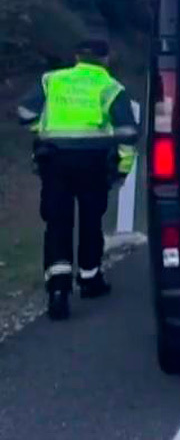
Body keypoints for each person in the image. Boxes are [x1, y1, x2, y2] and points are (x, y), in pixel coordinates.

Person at [15, 39, 138, 320]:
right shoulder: (111, 87)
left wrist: (46, 128)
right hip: (93, 161)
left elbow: (25, 113)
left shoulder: (52, 79)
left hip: (54, 159)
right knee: (91, 219)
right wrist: (122, 169)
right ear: (106, 59)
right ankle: (90, 278)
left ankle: (58, 289)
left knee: (57, 221)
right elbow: (127, 133)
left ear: (76, 57)